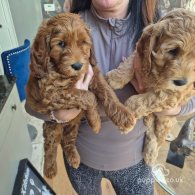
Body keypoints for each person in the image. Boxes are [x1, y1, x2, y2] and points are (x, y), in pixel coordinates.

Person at [25, 0, 195, 194]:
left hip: (137, 159)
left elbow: (191, 97)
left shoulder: (160, 29)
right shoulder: (68, 27)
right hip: (81, 159)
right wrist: (58, 115)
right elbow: (31, 103)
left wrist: (173, 108)